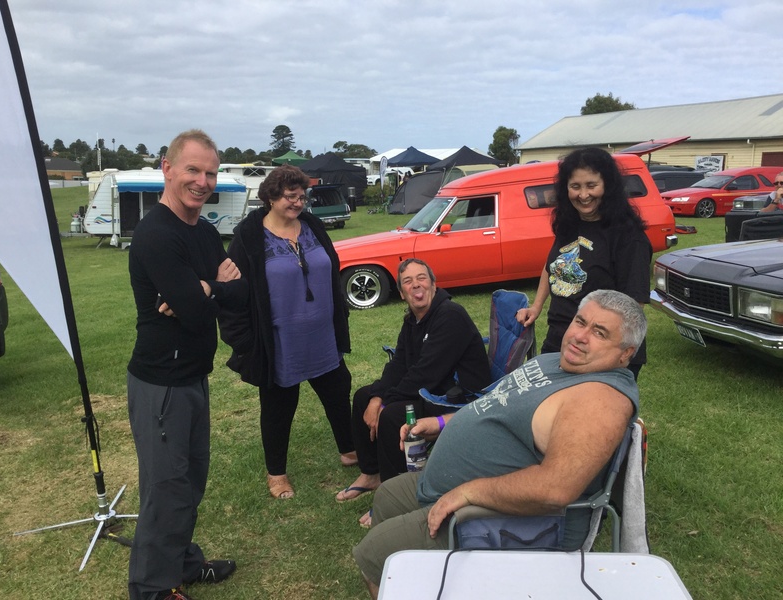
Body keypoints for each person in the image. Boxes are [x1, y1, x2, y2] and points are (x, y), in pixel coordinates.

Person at [352, 289, 646, 598]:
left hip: (505, 518)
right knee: (387, 495)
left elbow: (556, 489)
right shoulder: (556, 362)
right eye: (580, 322)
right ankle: (421, 582)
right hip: (455, 487)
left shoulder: (600, 401)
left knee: (375, 556)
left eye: (599, 333)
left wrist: (467, 492)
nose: (580, 336)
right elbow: (497, 404)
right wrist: (439, 423)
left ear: (625, 353)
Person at [127, 130, 247, 600]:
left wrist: (205, 288)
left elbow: (238, 292)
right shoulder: (156, 235)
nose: (202, 181)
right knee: (166, 488)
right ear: (167, 168)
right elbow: (200, 309)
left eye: (211, 173)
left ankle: (182, 563)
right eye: (193, 170)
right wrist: (210, 289)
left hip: (193, 375)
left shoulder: (202, 231)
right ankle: (152, 589)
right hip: (162, 383)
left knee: (190, 479)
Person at [218, 165, 355, 500]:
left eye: (301, 196)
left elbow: (330, 268)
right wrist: (245, 342)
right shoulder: (249, 237)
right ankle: (276, 474)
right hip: (280, 343)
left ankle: (350, 450)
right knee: (279, 408)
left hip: (322, 335)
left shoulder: (311, 225)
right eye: (290, 197)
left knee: (338, 393)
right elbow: (232, 295)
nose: (298, 203)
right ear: (270, 197)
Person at [336, 259, 491, 528]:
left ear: (433, 284)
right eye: (408, 281)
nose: (416, 284)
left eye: (422, 278)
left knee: (393, 415)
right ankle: (371, 474)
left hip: (458, 398)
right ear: (402, 293)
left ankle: (394, 497)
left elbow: (425, 373)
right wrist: (376, 398)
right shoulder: (414, 318)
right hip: (433, 388)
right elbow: (400, 364)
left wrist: (386, 404)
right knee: (363, 396)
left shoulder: (450, 315)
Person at [516, 147, 652, 379]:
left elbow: (634, 306)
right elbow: (551, 267)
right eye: (575, 186)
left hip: (599, 351)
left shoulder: (629, 237)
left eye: (591, 185)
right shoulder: (570, 224)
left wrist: (603, 355)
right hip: (559, 339)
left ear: (607, 186)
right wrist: (536, 307)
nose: (583, 195)